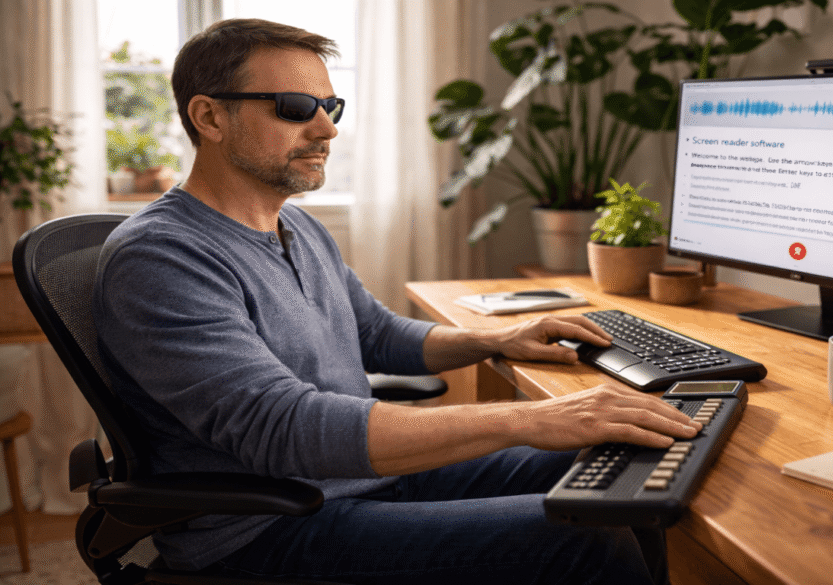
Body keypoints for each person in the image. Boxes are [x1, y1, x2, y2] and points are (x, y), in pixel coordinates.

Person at [93, 18, 701, 584]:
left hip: (355, 481)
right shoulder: (162, 258)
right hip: (269, 526)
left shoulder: (295, 226)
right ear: (209, 116)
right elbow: (281, 427)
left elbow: (375, 334)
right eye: (296, 108)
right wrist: (529, 418)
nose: (327, 130)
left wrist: (497, 339)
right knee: (587, 536)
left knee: (619, 466)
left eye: (330, 107)